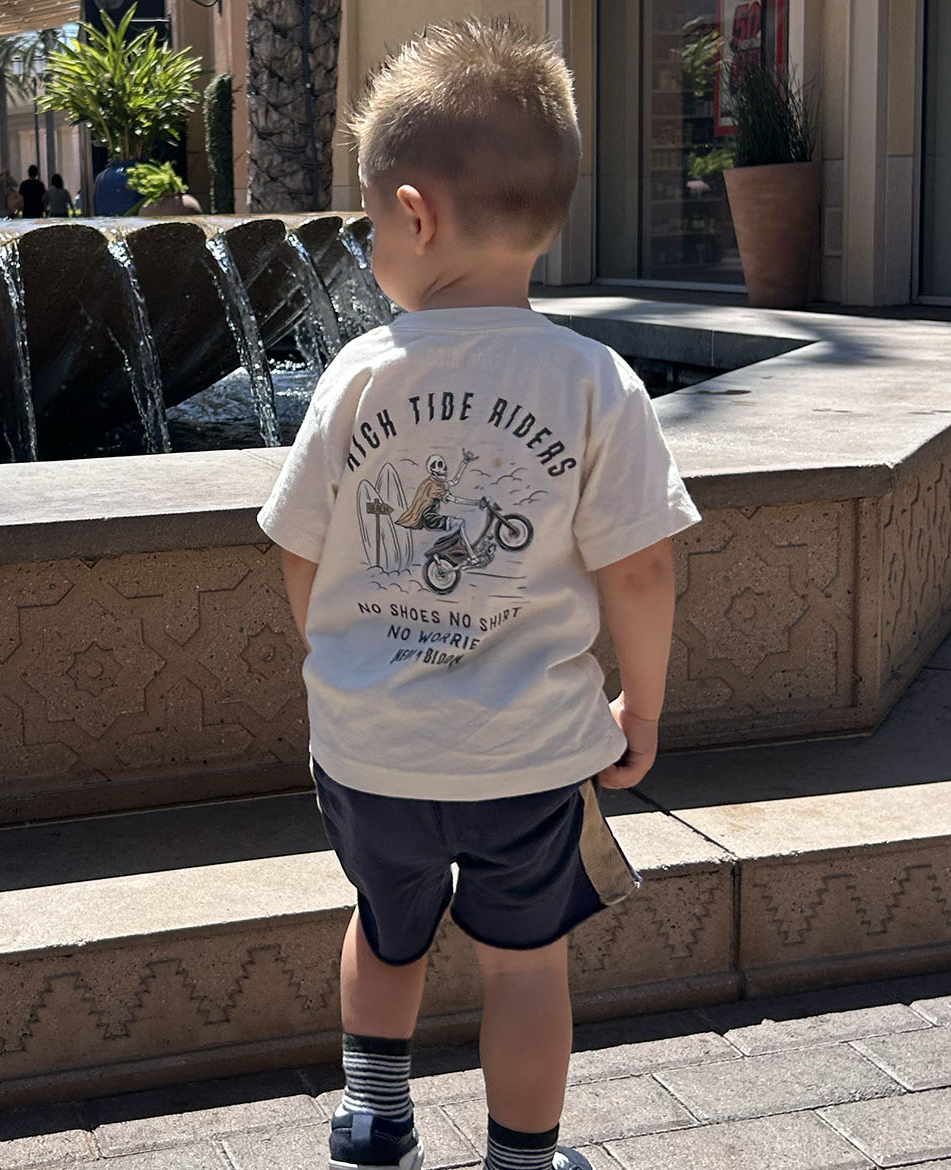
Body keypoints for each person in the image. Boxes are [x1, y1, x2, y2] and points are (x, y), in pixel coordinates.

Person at [255, 19, 700, 1170]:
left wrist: (339, 659)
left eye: (368, 225)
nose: (368, 247)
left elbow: (300, 545)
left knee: (385, 929)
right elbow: (642, 565)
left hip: (371, 749)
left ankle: (373, 1117)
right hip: (531, 757)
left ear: (415, 215)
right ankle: (520, 1156)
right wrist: (639, 708)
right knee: (525, 962)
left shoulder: (359, 375)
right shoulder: (595, 381)